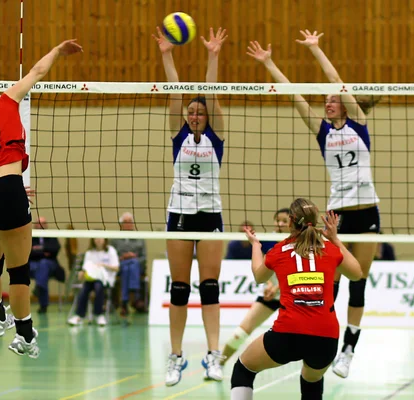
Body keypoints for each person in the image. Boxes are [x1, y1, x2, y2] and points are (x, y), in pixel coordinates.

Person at [247, 30, 382, 378]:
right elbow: (295, 98)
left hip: (367, 211)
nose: (328, 102)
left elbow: (336, 79)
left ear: (345, 104)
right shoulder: (322, 132)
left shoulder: (360, 124)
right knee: (330, 283)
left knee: (359, 281)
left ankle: (349, 352)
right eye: (325, 100)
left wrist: (316, 49)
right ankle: (325, 338)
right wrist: (269, 63)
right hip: (336, 214)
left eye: (333, 100)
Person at [0, 39, 82, 358]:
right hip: (7, 190)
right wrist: (58, 50)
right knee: (18, 270)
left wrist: (10, 184)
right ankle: (24, 335)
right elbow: (37, 71)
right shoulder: (5, 100)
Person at [153, 26, 228, 386]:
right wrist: (167, 55)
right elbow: (175, 94)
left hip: (210, 215)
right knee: (180, 288)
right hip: (179, 214)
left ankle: (214, 355)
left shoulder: (216, 137)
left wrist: (213, 56)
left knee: (210, 286)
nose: (195, 114)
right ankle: (176, 355)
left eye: (200, 111)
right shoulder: (178, 133)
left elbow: (211, 95)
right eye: (191, 111)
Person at [230, 199, 363, 400]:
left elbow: (259, 277)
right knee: (312, 380)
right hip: (326, 337)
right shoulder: (330, 250)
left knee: (243, 369)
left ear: (291, 221)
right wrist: (335, 240)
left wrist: (256, 245)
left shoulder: (278, 251)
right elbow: (356, 274)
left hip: (288, 333)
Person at [221, 208, 289, 364]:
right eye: (277, 220)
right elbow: (263, 267)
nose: (280, 224)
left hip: (294, 297)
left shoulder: (298, 243)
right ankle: (218, 363)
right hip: (272, 294)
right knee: (239, 333)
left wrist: (278, 287)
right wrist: (270, 284)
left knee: (309, 335)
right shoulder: (267, 241)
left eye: (285, 221)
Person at [67, 238, 119, 326]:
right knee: (84, 289)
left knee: (98, 286)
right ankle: (79, 315)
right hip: (91, 279)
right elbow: (85, 269)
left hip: (106, 279)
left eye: (100, 238)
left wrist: (103, 265)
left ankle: (99, 315)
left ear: (104, 239)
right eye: (96, 238)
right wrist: (81, 274)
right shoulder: (89, 252)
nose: (98, 240)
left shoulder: (111, 250)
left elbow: (116, 268)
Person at [29, 216, 64, 314]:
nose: (40, 225)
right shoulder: (29, 236)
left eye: (43, 223)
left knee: (44, 265)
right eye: (38, 223)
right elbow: (28, 252)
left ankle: (39, 288)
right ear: (35, 225)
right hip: (33, 265)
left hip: (51, 265)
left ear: (46, 225)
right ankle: (42, 302)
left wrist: (37, 249)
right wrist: (44, 251)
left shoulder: (51, 235)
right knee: (42, 271)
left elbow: (55, 249)